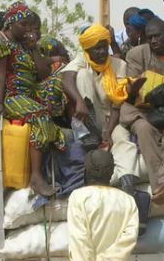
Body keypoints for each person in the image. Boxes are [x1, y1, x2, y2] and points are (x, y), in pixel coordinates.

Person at [0, 2, 66, 197]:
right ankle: (36, 176)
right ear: (10, 24)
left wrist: (33, 48)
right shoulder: (0, 39)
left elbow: (42, 73)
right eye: (24, 25)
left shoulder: (24, 46)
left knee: (57, 82)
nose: (28, 30)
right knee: (39, 114)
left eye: (31, 26)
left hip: (26, 94)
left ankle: (62, 127)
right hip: (6, 96)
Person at [61, 24, 147, 194]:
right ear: (88, 49)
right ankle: (90, 132)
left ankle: (127, 181)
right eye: (96, 49)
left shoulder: (119, 65)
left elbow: (118, 101)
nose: (101, 52)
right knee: (83, 75)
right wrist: (79, 102)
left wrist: (108, 130)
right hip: (89, 117)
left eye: (104, 47)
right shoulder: (82, 60)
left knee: (123, 141)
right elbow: (66, 78)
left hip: (113, 118)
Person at [120, 17, 164, 204]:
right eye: (150, 37)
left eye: (157, 36)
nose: (153, 41)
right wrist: (135, 87)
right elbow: (130, 91)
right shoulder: (136, 54)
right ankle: (160, 187)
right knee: (144, 129)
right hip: (139, 110)